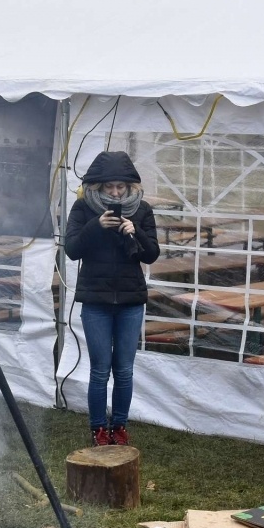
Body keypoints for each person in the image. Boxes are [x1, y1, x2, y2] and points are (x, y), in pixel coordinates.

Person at [64, 151, 160, 447]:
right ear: (97, 187)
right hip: (96, 302)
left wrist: (137, 232)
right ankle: (98, 430)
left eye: (121, 186)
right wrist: (96, 226)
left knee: (124, 369)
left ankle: (119, 426)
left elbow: (152, 254)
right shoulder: (82, 209)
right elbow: (72, 249)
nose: (116, 192)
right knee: (99, 369)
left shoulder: (141, 210)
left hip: (131, 301)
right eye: (109, 187)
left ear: (130, 187)